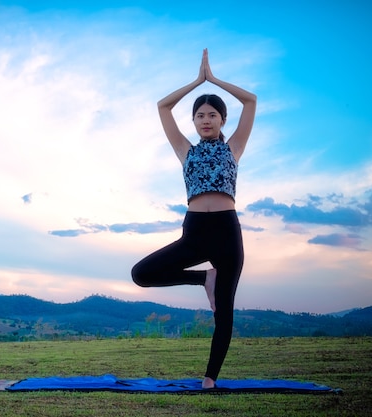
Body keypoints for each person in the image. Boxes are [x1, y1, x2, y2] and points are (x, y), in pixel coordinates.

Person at [131, 48, 257, 389]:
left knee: (224, 313)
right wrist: (196, 82)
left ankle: (210, 378)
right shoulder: (185, 150)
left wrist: (214, 80)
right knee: (141, 274)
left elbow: (251, 101)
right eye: (200, 115)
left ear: (222, 120)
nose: (205, 119)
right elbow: (162, 106)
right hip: (195, 232)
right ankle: (204, 279)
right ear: (194, 121)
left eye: (212, 114)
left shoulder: (234, 148)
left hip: (227, 233)